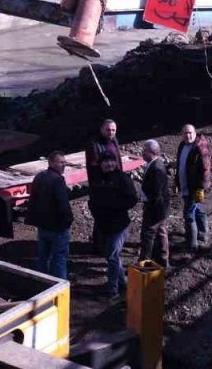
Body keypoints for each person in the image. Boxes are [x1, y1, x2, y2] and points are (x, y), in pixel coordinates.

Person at [88, 168, 139, 298]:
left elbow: (132, 199)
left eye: (111, 161)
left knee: (112, 256)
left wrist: (115, 207)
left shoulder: (122, 178)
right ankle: (122, 282)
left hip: (118, 225)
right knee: (112, 255)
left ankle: (112, 289)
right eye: (105, 162)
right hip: (103, 223)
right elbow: (92, 198)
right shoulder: (98, 180)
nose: (108, 164)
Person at [27, 151, 73, 279]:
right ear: (51, 162)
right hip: (58, 228)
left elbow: (33, 200)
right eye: (61, 162)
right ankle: (59, 289)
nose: (64, 165)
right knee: (59, 259)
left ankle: (41, 285)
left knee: (42, 258)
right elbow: (63, 204)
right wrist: (68, 220)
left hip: (43, 227)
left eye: (65, 162)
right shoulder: (58, 180)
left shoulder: (39, 177)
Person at [85, 119, 121, 253]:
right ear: (101, 129)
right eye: (108, 129)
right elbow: (94, 168)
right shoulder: (94, 144)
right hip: (101, 186)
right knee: (101, 215)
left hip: (114, 184)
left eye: (113, 130)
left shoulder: (114, 141)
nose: (110, 132)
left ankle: (107, 242)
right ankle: (99, 246)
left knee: (110, 215)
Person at [176, 124, 212, 251]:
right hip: (185, 184)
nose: (188, 135)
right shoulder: (182, 146)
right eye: (185, 133)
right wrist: (177, 183)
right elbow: (179, 165)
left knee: (189, 213)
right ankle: (202, 234)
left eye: (190, 133)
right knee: (198, 208)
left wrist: (201, 188)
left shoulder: (200, 148)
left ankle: (191, 243)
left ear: (195, 133)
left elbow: (206, 169)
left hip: (195, 187)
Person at [138, 140, 171, 270]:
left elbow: (156, 193)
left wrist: (147, 202)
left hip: (155, 208)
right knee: (161, 232)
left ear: (150, 152)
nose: (142, 153)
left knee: (148, 234)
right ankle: (163, 261)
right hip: (161, 208)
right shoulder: (155, 164)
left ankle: (144, 263)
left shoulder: (156, 168)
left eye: (143, 150)